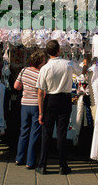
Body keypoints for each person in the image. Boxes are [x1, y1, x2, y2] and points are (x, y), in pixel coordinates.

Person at [35, 39, 87, 175]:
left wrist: (40, 112)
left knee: (46, 134)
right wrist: (86, 62)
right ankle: (62, 166)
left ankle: (43, 165)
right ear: (58, 50)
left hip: (50, 100)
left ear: (48, 52)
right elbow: (82, 72)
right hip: (64, 99)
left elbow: (40, 92)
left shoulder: (45, 68)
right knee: (61, 133)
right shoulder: (68, 63)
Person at [14, 50, 46, 169]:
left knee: (24, 131)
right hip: (36, 106)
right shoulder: (41, 75)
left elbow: (16, 86)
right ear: (40, 63)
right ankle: (30, 161)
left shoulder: (24, 70)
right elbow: (43, 94)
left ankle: (19, 158)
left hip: (24, 105)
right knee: (34, 134)